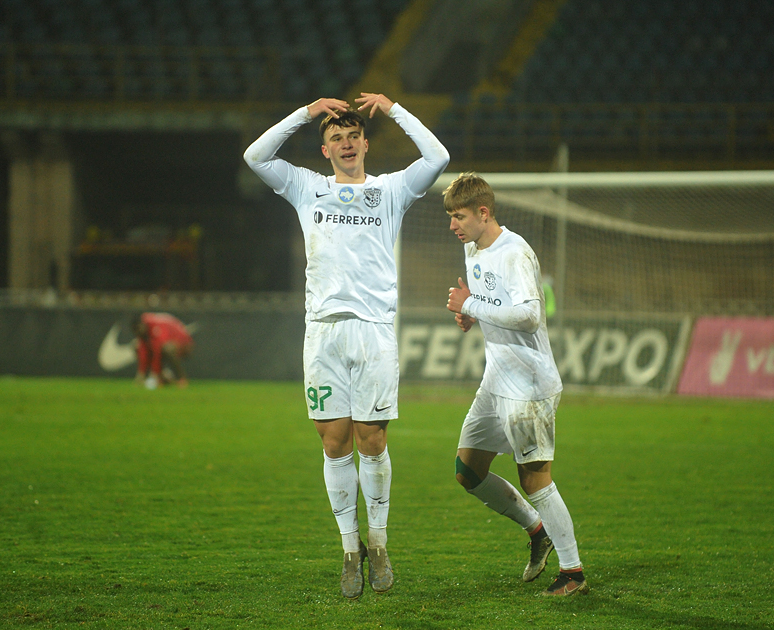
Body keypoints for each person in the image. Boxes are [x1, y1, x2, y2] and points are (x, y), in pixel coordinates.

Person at [243, 93, 449, 599]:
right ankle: (349, 551)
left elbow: (438, 157)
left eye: (354, 135)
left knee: (371, 441)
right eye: (336, 137)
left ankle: (378, 543)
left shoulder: (390, 190)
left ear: (365, 144)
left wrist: (394, 109)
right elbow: (255, 156)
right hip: (323, 333)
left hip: (374, 331)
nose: (346, 143)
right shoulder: (306, 187)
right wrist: (307, 112)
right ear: (326, 150)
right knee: (334, 443)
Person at [443, 172, 588, 597]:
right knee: (468, 471)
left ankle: (573, 572)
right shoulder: (472, 247)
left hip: (528, 384)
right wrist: (472, 315)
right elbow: (497, 305)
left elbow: (529, 315)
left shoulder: (515, 252)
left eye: (459, 216)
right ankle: (537, 531)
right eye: (451, 216)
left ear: (483, 212)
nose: (452, 225)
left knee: (535, 479)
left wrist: (471, 304)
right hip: (496, 380)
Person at [131, 312, 193, 389]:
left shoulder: (155, 326)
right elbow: (143, 351)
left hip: (184, 343)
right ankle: (164, 378)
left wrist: (155, 373)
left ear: (142, 325)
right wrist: (141, 373)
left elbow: (158, 350)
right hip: (169, 342)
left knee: (167, 349)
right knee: (136, 346)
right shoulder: (145, 329)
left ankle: (181, 378)